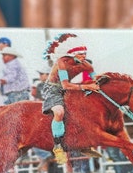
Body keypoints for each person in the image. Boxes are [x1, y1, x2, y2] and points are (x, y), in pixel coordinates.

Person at [42, 33, 100, 164]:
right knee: (59, 112)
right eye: (80, 54)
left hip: (71, 89)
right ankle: (57, 146)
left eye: (85, 54)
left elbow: (96, 81)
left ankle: (83, 142)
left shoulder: (87, 66)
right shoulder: (62, 62)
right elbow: (65, 85)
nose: (84, 57)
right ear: (72, 54)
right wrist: (87, 86)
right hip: (53, 89)